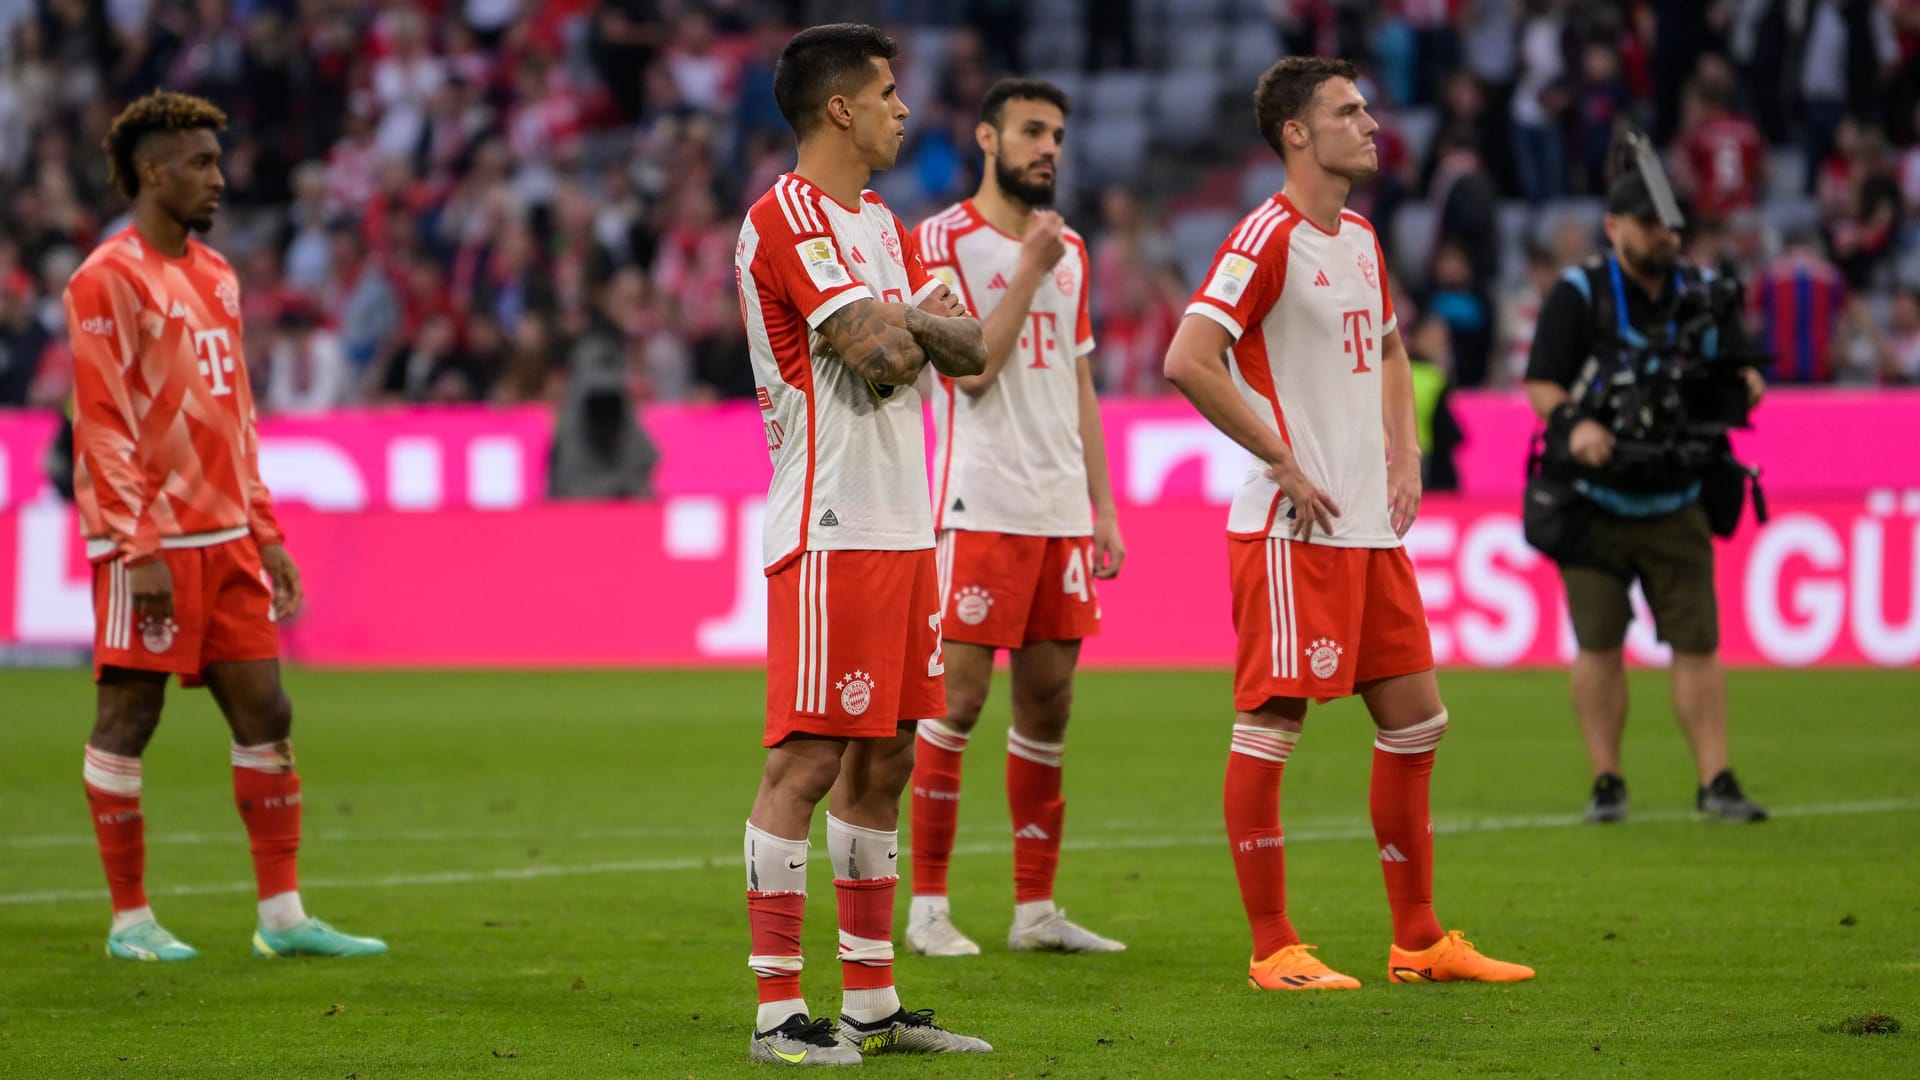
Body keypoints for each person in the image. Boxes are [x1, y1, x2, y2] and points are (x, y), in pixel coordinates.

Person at [1163, 56, 1534, 992]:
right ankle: (1272, 947)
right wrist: (1280, 457)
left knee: (1418, 724)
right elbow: (1188, 356)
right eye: (1349, 111)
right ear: (1297, 132)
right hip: (1294, 533)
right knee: (1271, 727)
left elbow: (1393, 345)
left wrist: (1403, 453)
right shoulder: (1265, 237)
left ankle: (1418, 940)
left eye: (1367, 108)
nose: (1371, 124)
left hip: (1368, 531)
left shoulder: (1361, 236)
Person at [65, 90, 385, 963]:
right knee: (129, 716)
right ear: (150, 170)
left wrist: (267, 531)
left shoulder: (215, 273)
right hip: (152, 544)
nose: (218, 178)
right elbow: (100, 421)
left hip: (225, 537)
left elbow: (232, 413)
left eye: (218, 160)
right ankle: (130, 919)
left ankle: (281, 918)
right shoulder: (106, 278)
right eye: (200, 163)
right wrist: (138, 545)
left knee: (266, 709)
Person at [733, 23, 992, 1067]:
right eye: (886, 93)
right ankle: (778, 1013)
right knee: (807, 759)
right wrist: (904, 322)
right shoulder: (781, 217)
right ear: (839, 107)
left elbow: (972, 350)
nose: (900, 108)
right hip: (829, 522)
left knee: (885, 758)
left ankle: (875, 1005)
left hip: (902, 523)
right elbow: (885, 357)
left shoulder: (880, 220)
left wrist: (902, 321)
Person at [904, 78, 1126, 959]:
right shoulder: (942, 241)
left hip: (1058, 508)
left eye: (1060, 134)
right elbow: (971, 373)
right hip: (979, 501)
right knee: (956, 701)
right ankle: (926, 908)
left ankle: (1035, 910)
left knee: (1050, 704)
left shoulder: (1067, 248)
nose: (1051, 149)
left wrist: (1102, 506)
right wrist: (1027, 269)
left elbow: (1078, 380)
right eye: (1034, 131)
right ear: (987, 139)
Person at [1525, 170, 1770, 825]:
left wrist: (1746, 383)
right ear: (1614, 226)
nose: (1663, 236)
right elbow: (1542, 383)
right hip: (1591, 501)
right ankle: (1607, 781)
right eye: (1647, 224)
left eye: (1670, 225)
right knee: (1599, 643)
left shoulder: (1704, 292)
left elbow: (1740, 370)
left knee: (1698, 643)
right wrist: (1577, 426)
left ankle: (1715, 779)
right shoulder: (1579, 294)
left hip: (1677, 494)